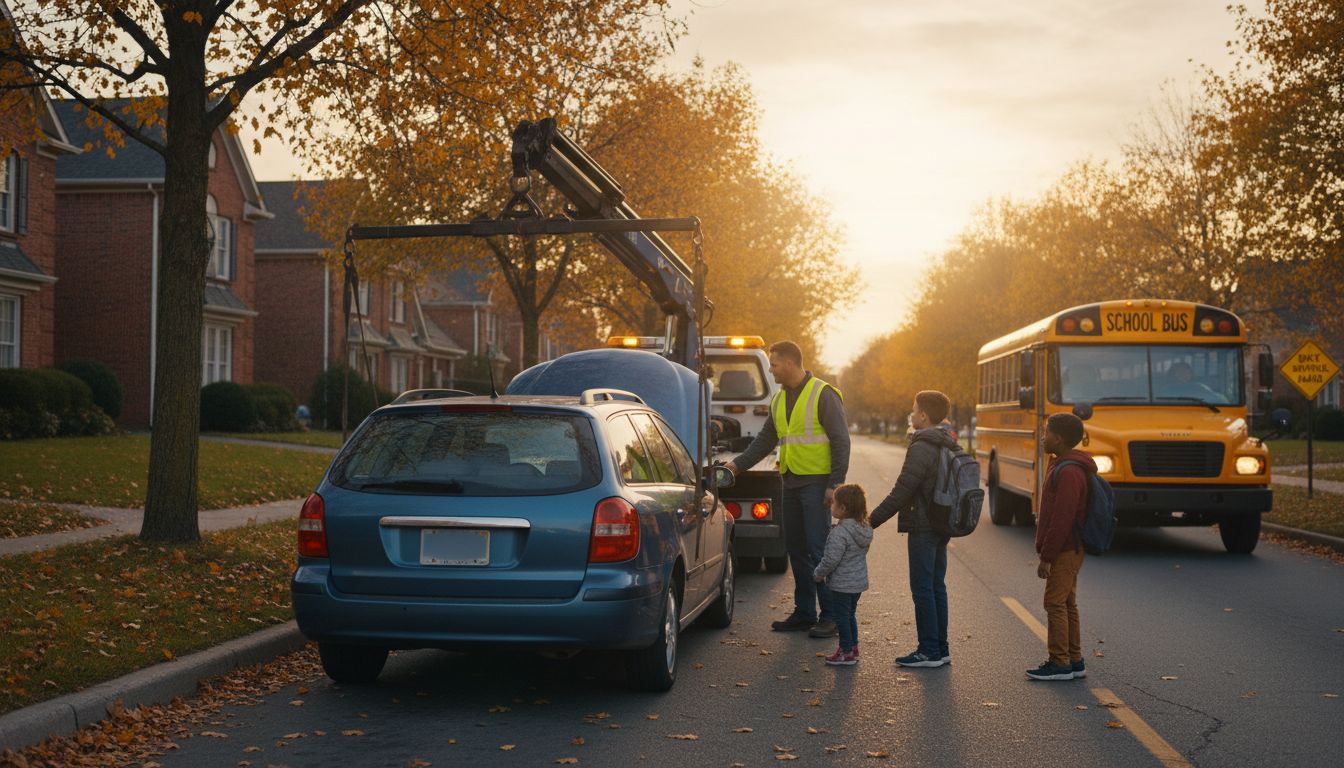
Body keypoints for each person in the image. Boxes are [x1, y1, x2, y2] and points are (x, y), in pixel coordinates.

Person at [727, 340, 850, 638]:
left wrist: (835, 483)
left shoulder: (823, 394)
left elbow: (841, 441)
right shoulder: (779, 399)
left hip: (818, 484)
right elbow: (766, 439)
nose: (771, 370)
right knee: (795, 547)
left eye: (775, 364)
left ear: (792, 363)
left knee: (819, 549)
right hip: (791, 482)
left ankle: (830, 616)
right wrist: (737, 465)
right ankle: (805, 612)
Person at [870, 390, 957, 668]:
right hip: (942, 522)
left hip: (924, 525)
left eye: (913, 409)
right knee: (935, 586)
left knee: (922, 587)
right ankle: (940, 648)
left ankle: (929, 650)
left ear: (923, 415)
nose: (910, 413)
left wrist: (871, 520)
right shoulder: (946, 442)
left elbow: (904, 490)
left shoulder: (922, 445)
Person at [1028, 412, 1096, 682]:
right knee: (1067, 603)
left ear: (1059, 438)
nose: (1043, 437)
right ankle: (1075, 660)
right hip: (1071, 546)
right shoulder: (1064, 465)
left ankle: (1059, 662)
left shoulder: (1068, 471)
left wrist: (1047, 556)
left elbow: (1062, 519)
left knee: (1054, 602)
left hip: (1067, 547)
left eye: (1046, 432)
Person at [813, 484, 872, 666]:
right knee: (850, 614)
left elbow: (831, 560)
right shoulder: (863, 528)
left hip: (842, 584)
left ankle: (845, 651)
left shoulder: (839, 534)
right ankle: (853, 647)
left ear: (843, 508)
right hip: (857, 583)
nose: (831, 506)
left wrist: (818, 574)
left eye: (834, 504)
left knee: (842, 618)